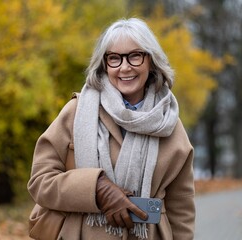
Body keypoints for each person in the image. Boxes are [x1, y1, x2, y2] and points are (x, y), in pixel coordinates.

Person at [27, 18, 195, 240]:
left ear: (151, 61)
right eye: (114, 58)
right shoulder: (76, 112)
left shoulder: (169, 123)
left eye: (135, 56)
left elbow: (181, 205)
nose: (125, 67)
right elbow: (40, 181)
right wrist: (96, 189)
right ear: (104, 64)